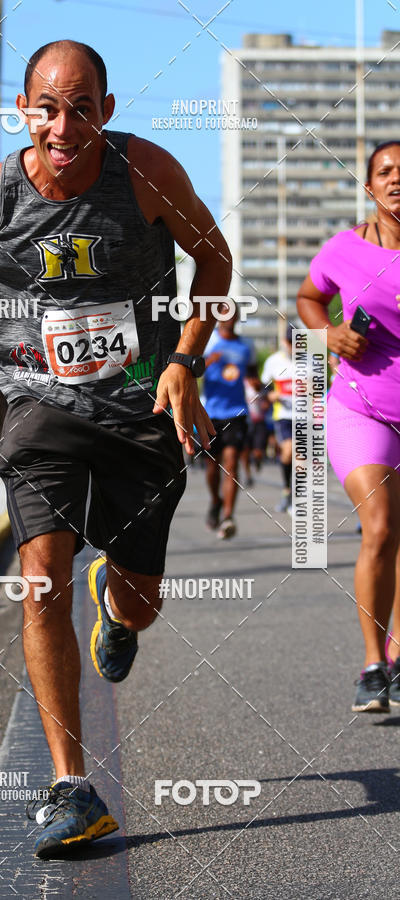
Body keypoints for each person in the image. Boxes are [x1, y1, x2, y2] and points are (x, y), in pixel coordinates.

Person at [0, 40, 232, 857]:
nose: (62, 124)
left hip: (142, 402)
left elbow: (214, 258)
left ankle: (119, 600)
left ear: (106, 109)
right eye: (46, 106)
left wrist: (183, 360)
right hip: (38, 405)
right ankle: (73, 786)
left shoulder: (146, 174)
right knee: (38, 581)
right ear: (22, 110)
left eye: (81, 107)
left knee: (140, 601)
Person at [297, 140, 400, 713]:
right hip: (360, 405)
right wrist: (327, 334)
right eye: (385, 173)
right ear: (369, 188)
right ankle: (371, 664)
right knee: (381, 526)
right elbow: (309, 298)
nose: (396, 181)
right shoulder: (344, 249)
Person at [201, 302, 257, 538]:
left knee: (232, 462)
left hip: (237, 413)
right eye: (223, 314)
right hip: (210, 412)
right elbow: (190, 370)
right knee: (212, 467)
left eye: (232, 314)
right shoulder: (208, 341)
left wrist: (257, 384)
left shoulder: (247, 346)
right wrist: (206, 362)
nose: (228, 318)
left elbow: (254, 375)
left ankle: (228, 516)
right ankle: (215, 500)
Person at [261, 325, 295, 513]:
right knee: (288, 452)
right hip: (283, 416)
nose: (293, 346)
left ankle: (293, 494)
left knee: (301, 459)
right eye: (290, 342)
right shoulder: (273, 361)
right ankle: (287, 490)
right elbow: (264, 388)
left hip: (305, 416)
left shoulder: (312, 361)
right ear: (284, 342)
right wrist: (270, 396)